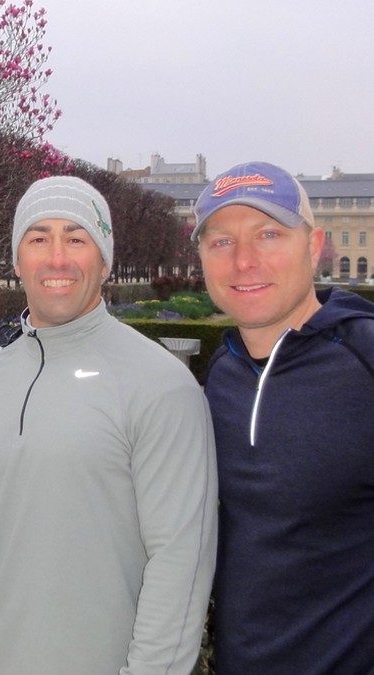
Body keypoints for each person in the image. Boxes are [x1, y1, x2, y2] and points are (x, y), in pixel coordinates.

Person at [0, 175, 218, 675]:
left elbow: (181, 563)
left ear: (104, 260)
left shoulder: (159, 383)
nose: (57, 258)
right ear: (18, 259)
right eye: (39, 237)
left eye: (77, 238)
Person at [192, 160, 374, 674]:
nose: (244, 261)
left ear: (313, 247)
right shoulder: (224, 373)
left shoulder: (364, 359)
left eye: (268, 234)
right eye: (222, 242)